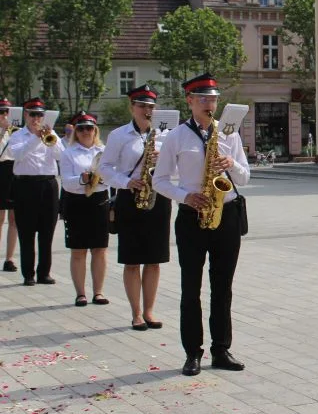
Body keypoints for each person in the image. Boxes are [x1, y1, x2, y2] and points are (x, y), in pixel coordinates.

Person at [153, 73, 250, 377]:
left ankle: (221, 349)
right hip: (192, 215)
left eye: (213, 98)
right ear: (190, 101)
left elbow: (245, 176)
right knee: (190, 287)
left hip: (227, 213)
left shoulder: (229, 135)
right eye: (204, 99)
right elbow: (159, 180)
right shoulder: (176, 136)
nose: (210, 104)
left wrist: (230, 164)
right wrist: (184, 196)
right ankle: (192, 352)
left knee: (223, 287)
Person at [99, 85, 172, 331]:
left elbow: (178, 169)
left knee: (154, 260)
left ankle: (150, 310)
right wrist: (126, 181)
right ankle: (136, 313)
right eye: (142, 106)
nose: (147, 110)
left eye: (151, 106)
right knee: (132, 260)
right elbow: (105, 168)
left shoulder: (166, 134)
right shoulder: (119, 135)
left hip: (158, 198)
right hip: (130, 198)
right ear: (132, 107)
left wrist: (164, 160)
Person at [8, 98, 63, 286]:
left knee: (47, 231)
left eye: (40, 115)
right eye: (32, 114)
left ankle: (44, 273)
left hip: (48, 185)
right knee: (26, 231)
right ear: (25, 115)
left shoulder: (51, 134)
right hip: (25, 186)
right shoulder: (17, 135)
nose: (36, 118)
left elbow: (61, 155)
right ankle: (28, 274)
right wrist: (35, 137)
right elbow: (19, 154)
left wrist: (50, 139)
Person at [59, 112, 110, 307]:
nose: (85, 132)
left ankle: (98, 292)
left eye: (89, 128)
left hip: (99, 200)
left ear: (95, 130)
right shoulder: (68, 152)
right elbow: (66, 183)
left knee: (100, 249)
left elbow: (111, 176)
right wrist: (83, 179)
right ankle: (80, 293)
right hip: (77, 202)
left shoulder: (103, 150)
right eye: (81, 129)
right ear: (75, 131)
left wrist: (101, 180)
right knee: (78, 250)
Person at [0, 97, 18, 273]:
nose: (4, 115)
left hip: (13, 171)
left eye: (7, 112)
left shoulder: (16, 131)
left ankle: (9, 258)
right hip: (0, 170)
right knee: (0, 218)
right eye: (1, 112)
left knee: (14, 218)